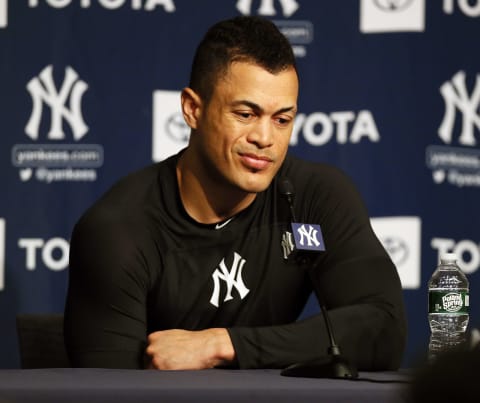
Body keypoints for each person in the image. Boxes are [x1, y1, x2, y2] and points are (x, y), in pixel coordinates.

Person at [64, 15, 407, 370]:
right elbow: (107, 391)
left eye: (282, 119)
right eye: (245, 114)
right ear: (193, 109)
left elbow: (384, 329)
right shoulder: (119, 230)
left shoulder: (311, 199)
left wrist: (223, 344)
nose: (265, 138)